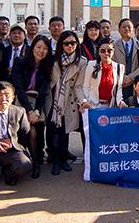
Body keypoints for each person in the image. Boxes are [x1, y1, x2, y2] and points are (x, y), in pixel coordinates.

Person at [46, 31, 87, 176]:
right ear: (60, 45)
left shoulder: (82, 61)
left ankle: (62, 159)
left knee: (64, 132)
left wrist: (82, 101)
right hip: (53, 99)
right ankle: (55, 159)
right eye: (66, 43)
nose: (70, 46)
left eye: (73, 43)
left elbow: (79, 85)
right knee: (53, 131)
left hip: (69, 100)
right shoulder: (53, 59)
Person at [11, 35, 52, 179]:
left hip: (38, 102)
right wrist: (29, 110)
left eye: (45, 48)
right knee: (30, 131)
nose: (41, 51)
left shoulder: (47, 65)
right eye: (39, 47)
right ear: (32, 47)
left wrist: (37, 111)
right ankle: (33, 163)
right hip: (21, 101)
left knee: (38, 130)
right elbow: (19, 88)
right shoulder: (20, 62)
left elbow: (43, 91)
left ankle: (36, 158)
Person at [78, 38, 126, 110]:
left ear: (113, 52)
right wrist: (85, 102)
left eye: (109, 51)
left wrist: (120, 102)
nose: (106, 53)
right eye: (103, 51)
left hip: (110, 107)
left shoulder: (120, 67)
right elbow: (85, 87)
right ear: (99, 52)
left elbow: (118, 88)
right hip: (92, 107)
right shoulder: (91, 65)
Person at [112, 18, 139, 100]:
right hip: (119, 83)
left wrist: (131, 77)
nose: (127, 29)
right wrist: (122, 78)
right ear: (119, 30)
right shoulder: (113, 46)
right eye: (124, 27)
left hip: (135, 83)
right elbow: (112, 63)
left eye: (129, 27)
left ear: (133, 30)